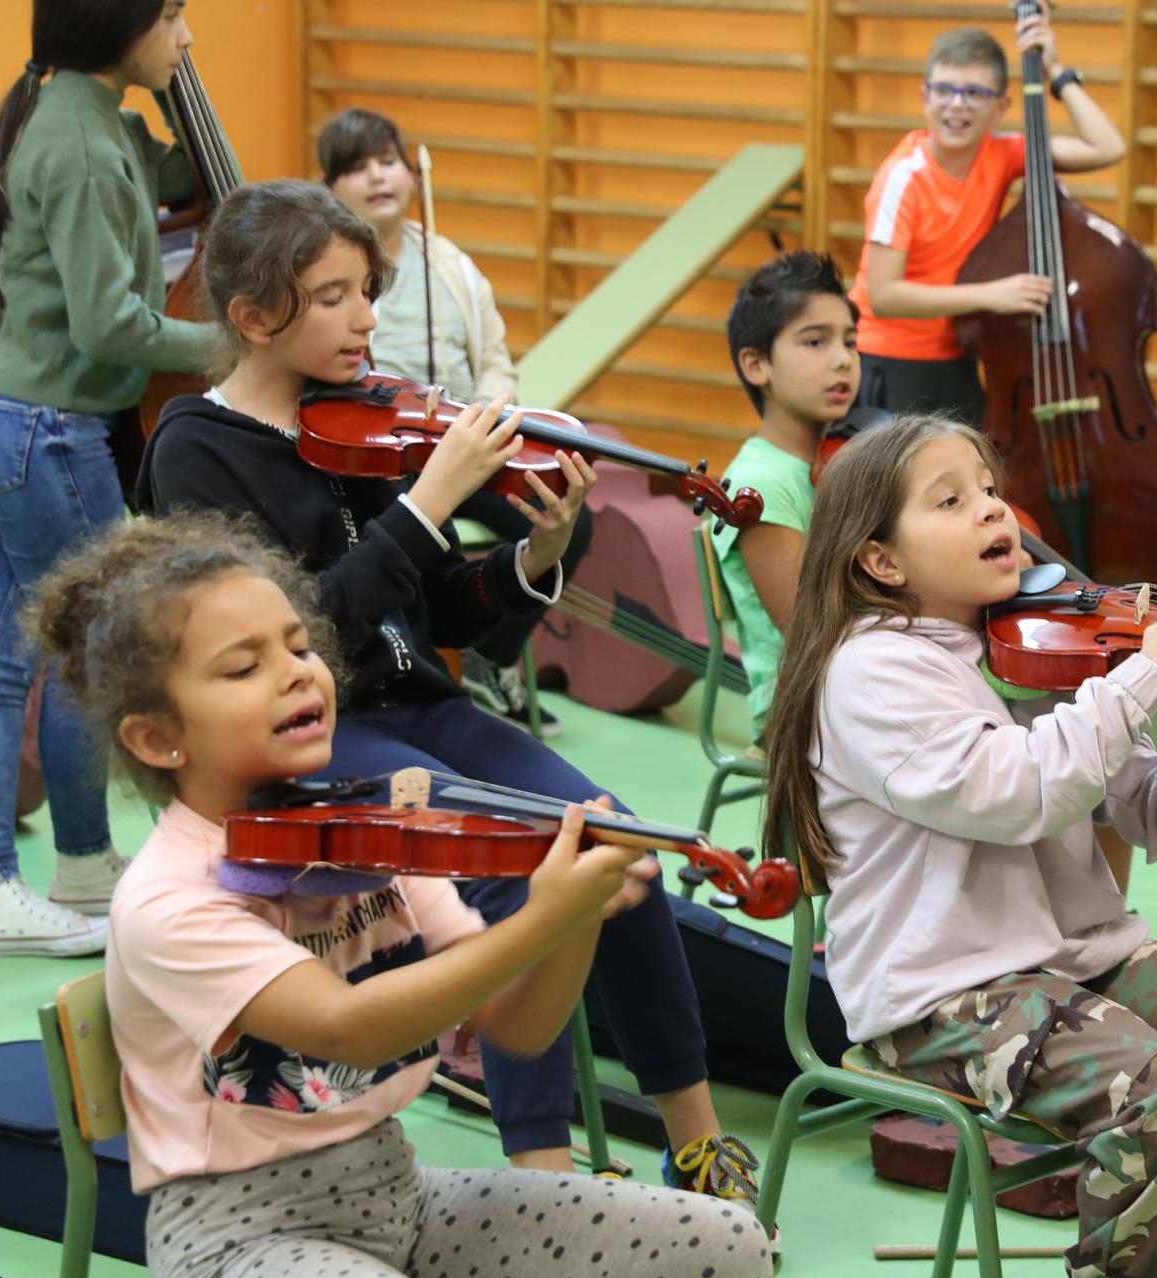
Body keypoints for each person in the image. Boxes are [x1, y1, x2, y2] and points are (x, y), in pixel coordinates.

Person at [134, 180, 767, 1213]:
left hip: (416, 707)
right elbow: (294, 642)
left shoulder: (360, 421)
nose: (366, 319)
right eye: (332, 296)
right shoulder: (193, 449)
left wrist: (540, 551)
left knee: (614, 833)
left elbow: (445, 612)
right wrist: (427, 501)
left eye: (365, 292)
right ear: (252, 318)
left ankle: (695, 1141)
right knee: (530, 862)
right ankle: (544, 1182)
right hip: (303, 740)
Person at [30, 511, 770, 1278]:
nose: (296, 674)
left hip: (399, 1200)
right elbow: (349, 1030)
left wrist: (578, 917)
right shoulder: (172, 897)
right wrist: (540, 919)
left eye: (300, 647)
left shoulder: (361, 835)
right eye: (244, 667)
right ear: (157, 737)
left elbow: (514, 1024)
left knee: (724, 1247)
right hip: (242, 1248)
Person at [760, 415, 1157, 1278]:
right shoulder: (871, 674)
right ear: (880, 561)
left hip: (1072, 961)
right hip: (940, 994)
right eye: (950, 500)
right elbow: (1020, 792)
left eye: (989, 487)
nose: (992, 508)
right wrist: (1148, 674)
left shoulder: (1038, 646)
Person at [0, 0, 219, 957]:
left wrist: (185, 106)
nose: (188, 36)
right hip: (42, 429)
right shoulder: (88, 145)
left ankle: (53, 871)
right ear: (122, 22)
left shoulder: (74, 110)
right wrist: (231, 343)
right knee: (89, 655)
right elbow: (111, 326)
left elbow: (177, 178)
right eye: (175, 16)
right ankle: (16, 879)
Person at [319, 106, 577, 736]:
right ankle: (432, 666)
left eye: (388, 160)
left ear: (412, 174)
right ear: (331, 188)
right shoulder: (332, 269)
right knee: (415, 536)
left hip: (464, 440)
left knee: (567, 509)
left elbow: (494, 363)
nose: (379, 177)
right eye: (357, 167)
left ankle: (492, 656)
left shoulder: (452, 264)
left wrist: (480, 420)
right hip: (387, 447)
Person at [846, 12, 1124, 422]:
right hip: (889, 361)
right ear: (925, 97)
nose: (956, 104)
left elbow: (1107, 146)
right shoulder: (902, 177)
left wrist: (1056, 70)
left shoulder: (1003, 153)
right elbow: (883, 296)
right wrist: (993, 295)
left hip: (957, 357)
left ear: (1000, 107)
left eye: (975, 92)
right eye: (944, 90)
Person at [714, 249, 859, 741]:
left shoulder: (842, 458)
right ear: (757, 365)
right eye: (815, 341)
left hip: (857, 682)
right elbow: (807, 630)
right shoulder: (761, 485)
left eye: (849, 341)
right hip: (804, 706)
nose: (843, 358)